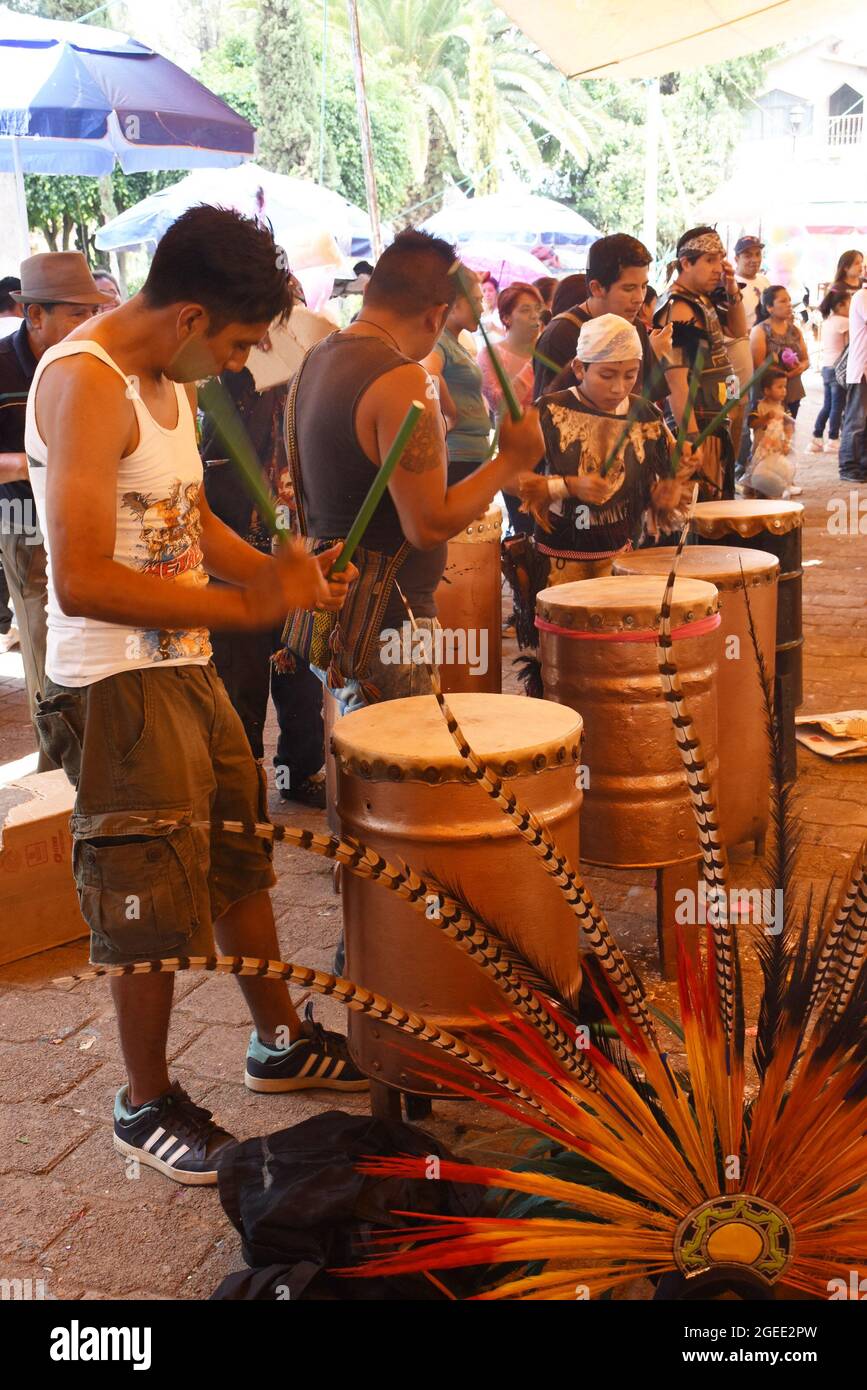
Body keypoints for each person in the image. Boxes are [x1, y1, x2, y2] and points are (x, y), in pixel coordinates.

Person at [26, 207, 367, 1187]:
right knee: (147, 897)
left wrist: (277, 573)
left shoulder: (165, 383)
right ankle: (143, 1101)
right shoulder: (86, 387)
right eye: (231, 343)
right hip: (117, 685)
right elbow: (81, 575)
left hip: (181, 661)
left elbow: (186, 514)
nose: (235, 365)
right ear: (183, 315)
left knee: (233, 856)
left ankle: (278, 1040)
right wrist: (240, 602)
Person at [290, 228, 543, 709]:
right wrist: (508, 461)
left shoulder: (315, 359)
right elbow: (427, 526)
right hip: (389, 624)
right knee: (399, 779)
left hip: (340, 618)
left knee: (367, 771)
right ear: (436, 316)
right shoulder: (403, 379)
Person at [199, 364, 327, 808]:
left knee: (301, 679)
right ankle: (243, 783)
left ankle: (298, 772)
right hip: (234, 558)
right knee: (239, 682)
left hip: (296, 549)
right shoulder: (212, 384)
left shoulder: (307, 383)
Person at [0, 254, 111, 769]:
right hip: (24, 523)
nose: (87, 324)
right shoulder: (2, 364)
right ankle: (55, 766)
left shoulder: (91, 363)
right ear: (33, 315)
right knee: (44, 638)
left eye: (92, 311)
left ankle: (94, 755)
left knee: (93, 633)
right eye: (74, 313)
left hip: (89, 519)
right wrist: (36, 459)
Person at [517, 315, 685, 590]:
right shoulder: (548, 411)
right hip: (559, 558)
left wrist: (663, 495)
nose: (619, 387)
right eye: (606, 375)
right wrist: (567, 486)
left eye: (630, 375)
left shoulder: (646, 415)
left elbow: (655, 480)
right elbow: (512, 480)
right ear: (580, 368)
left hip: (619, 553)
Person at [654, 226, 746, 499]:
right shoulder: (679, 307)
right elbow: (677, 384)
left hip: (716, 422)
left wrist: (732, 289)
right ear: (686, 263)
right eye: (709, 260)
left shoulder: (702, 299)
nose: (718, 267)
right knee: (703, 516)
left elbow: (738, 331)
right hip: (700, 426)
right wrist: (691, 440)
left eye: (720, 259)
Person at [534, 235, 668, 401]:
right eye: (628, 288)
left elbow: (647, 401)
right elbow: (545, 413)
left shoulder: (635, 328)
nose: (639, 298)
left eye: (643, 286)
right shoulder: (559, 335)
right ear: (597, 288)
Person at [421, 270, 492, 483]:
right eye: (476, 301)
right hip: (459, 455)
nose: (481, 308)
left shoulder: (455, 342)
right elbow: (429, 374)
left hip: (472, 454)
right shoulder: (440, 340)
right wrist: (450, 414)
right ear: (452, 306)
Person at [479, 281, 544, 417]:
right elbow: (499, 405)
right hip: (510, 435)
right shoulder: (490, 354)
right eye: (525, 310)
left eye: (538, 309)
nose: (535, 315)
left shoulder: (549, 350)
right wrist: (533, 364)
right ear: (506, 318)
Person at [751, 285, 810, 419]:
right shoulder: (760, 331)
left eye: (789, 300)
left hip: (793, 392)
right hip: (768, 395)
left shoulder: (795, 330)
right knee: (768, 434)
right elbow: (758, 365)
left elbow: (806, 359)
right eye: (783, 301)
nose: (789, 305)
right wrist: (784, 374)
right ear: (769, 307)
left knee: (788, 432)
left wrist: (800, 367)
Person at [743, 367, 796, 499]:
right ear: (766, 390)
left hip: (776, 448)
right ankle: (751, 488)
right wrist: (766, 418)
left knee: (772, 472)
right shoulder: (759, 406)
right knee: (756, 469)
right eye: (779, 387)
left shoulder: (783, 407)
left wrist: (787, 441)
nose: (784, 390)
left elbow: (789, 425)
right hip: (760, 449)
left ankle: (773, 489)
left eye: (785, 387)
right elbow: (752, 423)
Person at [808, 287, 850, 453]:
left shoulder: (828, 321)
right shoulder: (844, 322)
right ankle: (833, 439)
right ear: (840, 305)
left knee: (827, 405)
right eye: (849, 304)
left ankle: (817, 437)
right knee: (837, 406)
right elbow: (850, 345)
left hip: (826, 367)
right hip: (838, 369)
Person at [839, 283, 867, 483]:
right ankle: (849, 466)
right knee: (856, 421)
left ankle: (863, 465)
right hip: (861, 370)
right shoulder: (862, 296)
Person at [733, 236, 770, 330]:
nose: (755, 260)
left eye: (758, 254)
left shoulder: (764, 280)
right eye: (748, 256)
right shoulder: (730, 286)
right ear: (736, 259)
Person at [479, 273, 502, 340]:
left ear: (497, 292)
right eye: (484, 291)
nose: (487, 294)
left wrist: (495, 328)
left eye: (490, 290)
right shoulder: (481, 314)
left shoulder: (503, 313)